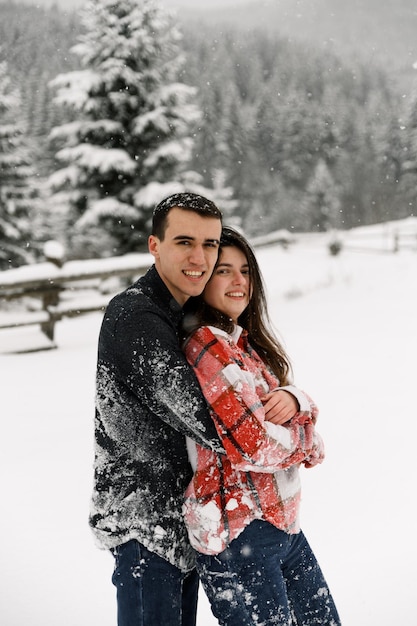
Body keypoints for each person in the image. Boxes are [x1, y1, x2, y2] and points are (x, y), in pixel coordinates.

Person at [89, 193, 296, 626]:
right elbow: (217, 424)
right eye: (185, 242)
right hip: (146, 527)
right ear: (154, 245)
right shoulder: (134, 315)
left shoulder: (186, 316)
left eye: (211, 244)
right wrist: (301, 429)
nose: (200, 257)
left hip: (188, 525)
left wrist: (291, 399)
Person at [182, 226, 341, 626]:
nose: (239, 281)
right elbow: (254, 446)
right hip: (240, 535)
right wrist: (304, 437)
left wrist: (298, 401)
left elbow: (291, 427)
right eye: (224, 271)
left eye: (245, 271)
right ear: (202, 280)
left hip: (284, 526)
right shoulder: (208, 347)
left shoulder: (247, 347)